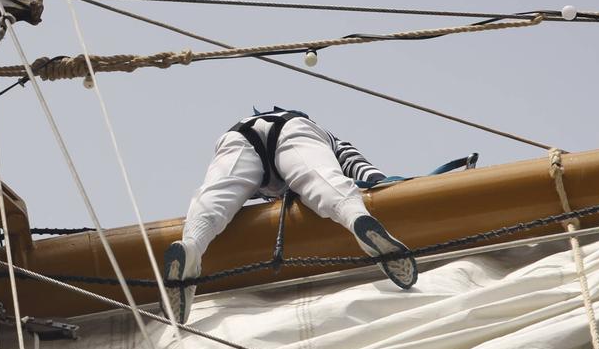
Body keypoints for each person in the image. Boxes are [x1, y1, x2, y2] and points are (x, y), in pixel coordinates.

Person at [162, 108, 418, 322]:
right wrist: (381, 182)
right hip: (294, 127)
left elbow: (231, 196)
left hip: (238, 134)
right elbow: (354, 163)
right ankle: (357, 218)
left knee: (215, 197)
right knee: (321, 179)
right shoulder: (328, 138)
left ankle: (191, 247)